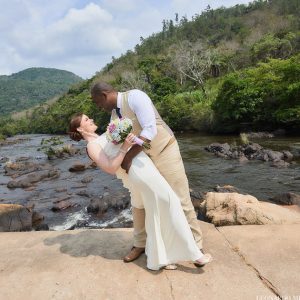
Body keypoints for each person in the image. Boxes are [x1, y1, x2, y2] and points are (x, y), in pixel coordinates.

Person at [68, 113, 212, 271]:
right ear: (80, 128)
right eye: (87, 120)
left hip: (143, 163)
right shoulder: (91, 145)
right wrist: (124, 147)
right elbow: (110, 168)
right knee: (170, 201)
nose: (92, 119)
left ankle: (162, 257)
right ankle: (194, 254)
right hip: (136, 170)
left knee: (156, 209)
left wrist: (130, 139)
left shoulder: (102, 135)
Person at [90, 81, 205, 266]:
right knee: (141, 201)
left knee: (180, 197)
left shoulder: (135, 96)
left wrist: (128, 158)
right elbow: (116, 141)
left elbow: (150, 129)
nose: (99, 107)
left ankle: (196, 245)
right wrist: (96, 149)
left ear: (104, 95)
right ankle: (141, 244)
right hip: (143, 160)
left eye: (98, 102)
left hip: (164, 150)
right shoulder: (114, 116)